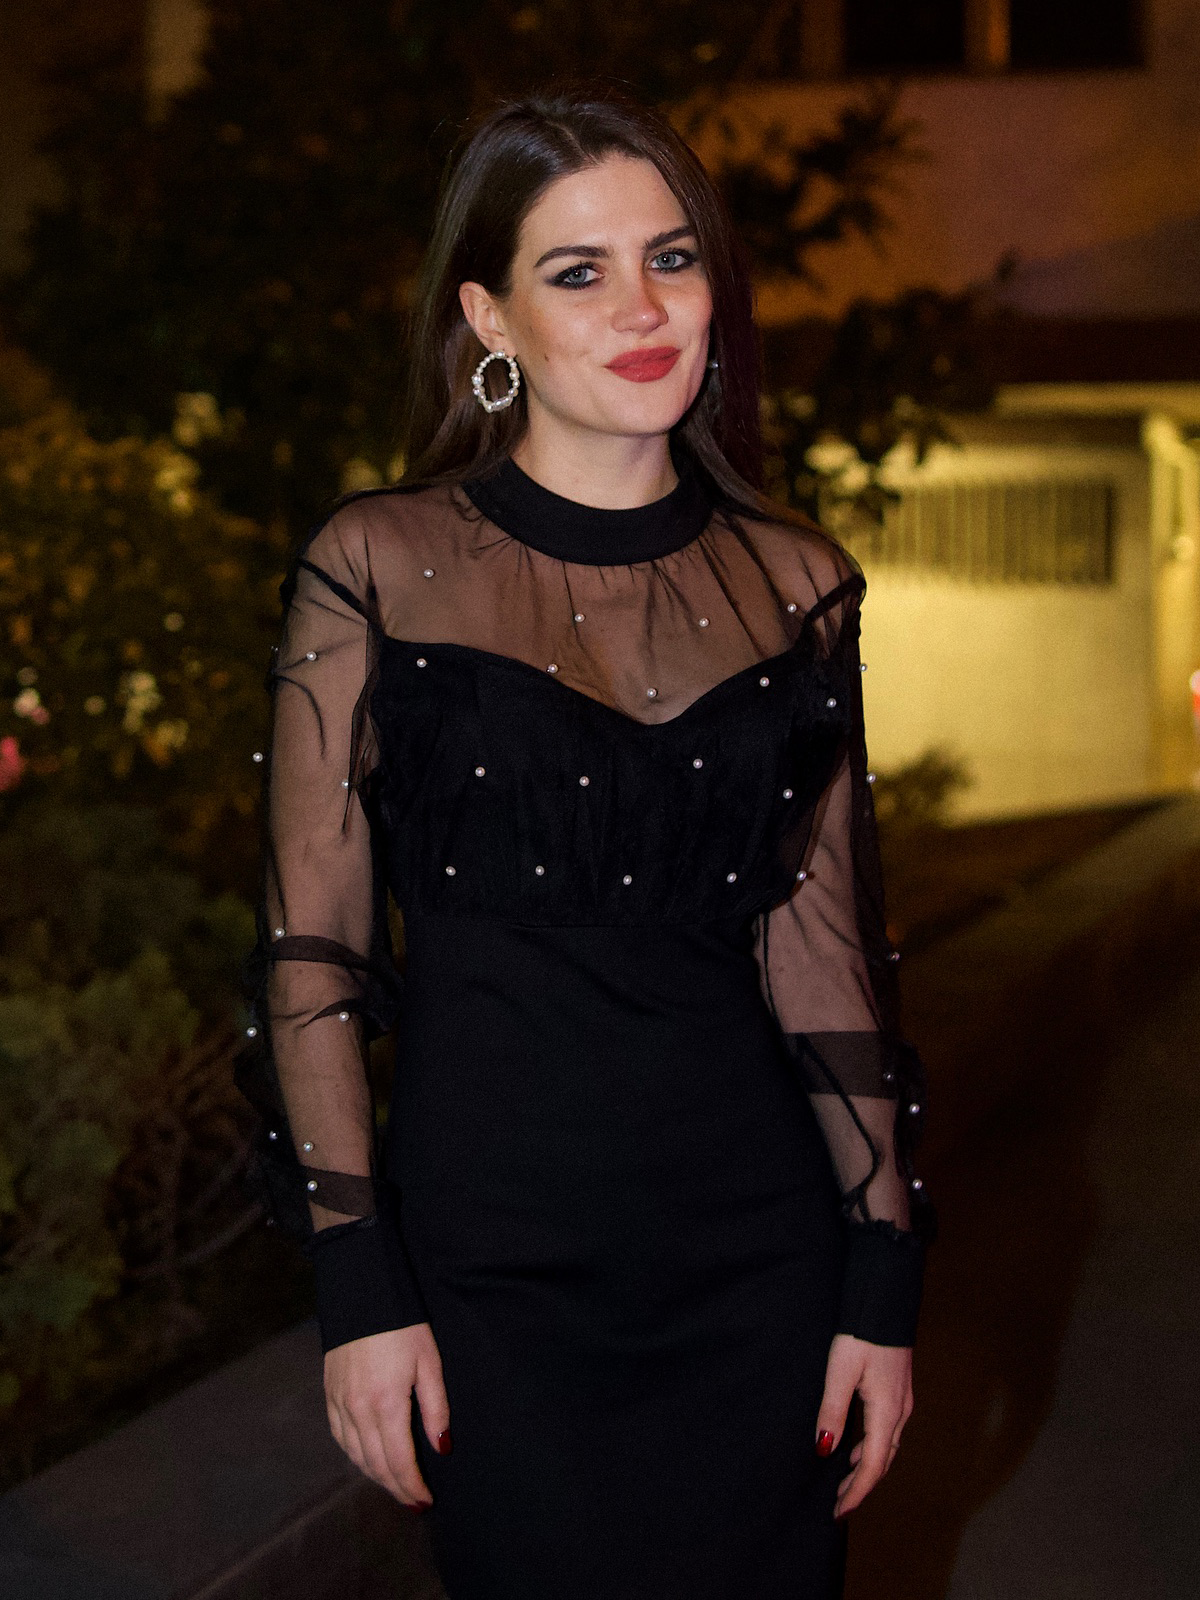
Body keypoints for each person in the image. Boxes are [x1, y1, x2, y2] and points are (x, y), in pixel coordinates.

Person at [236, 83, 935, 1600]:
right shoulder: (379, 564)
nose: (643, 308)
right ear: (487, 316)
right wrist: (358, 1279)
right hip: (493, 1274)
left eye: (671, 259)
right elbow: (312, 956)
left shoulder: (798, 585)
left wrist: (881, 1277)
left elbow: (825, 956)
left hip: (758, 1261)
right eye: (579, 271)